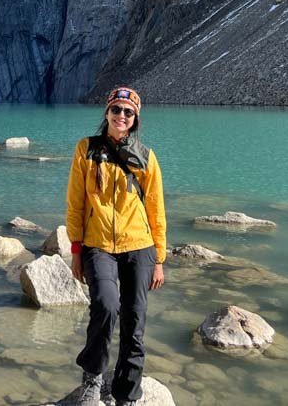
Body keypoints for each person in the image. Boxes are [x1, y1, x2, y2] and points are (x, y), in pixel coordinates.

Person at [65, 86, 166, 405]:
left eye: (128, 112)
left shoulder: (147, 157)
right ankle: (92, 378)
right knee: (106, 306)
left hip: (139, 245)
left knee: (135, 319)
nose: (121, 116)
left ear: (135, 119)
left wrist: (159, 257)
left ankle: (127, 394)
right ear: (106, 112)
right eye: (116, 109)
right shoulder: (86, 149)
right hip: (98, 245)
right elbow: (75, 203)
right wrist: (77, 250)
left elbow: (156, 208)